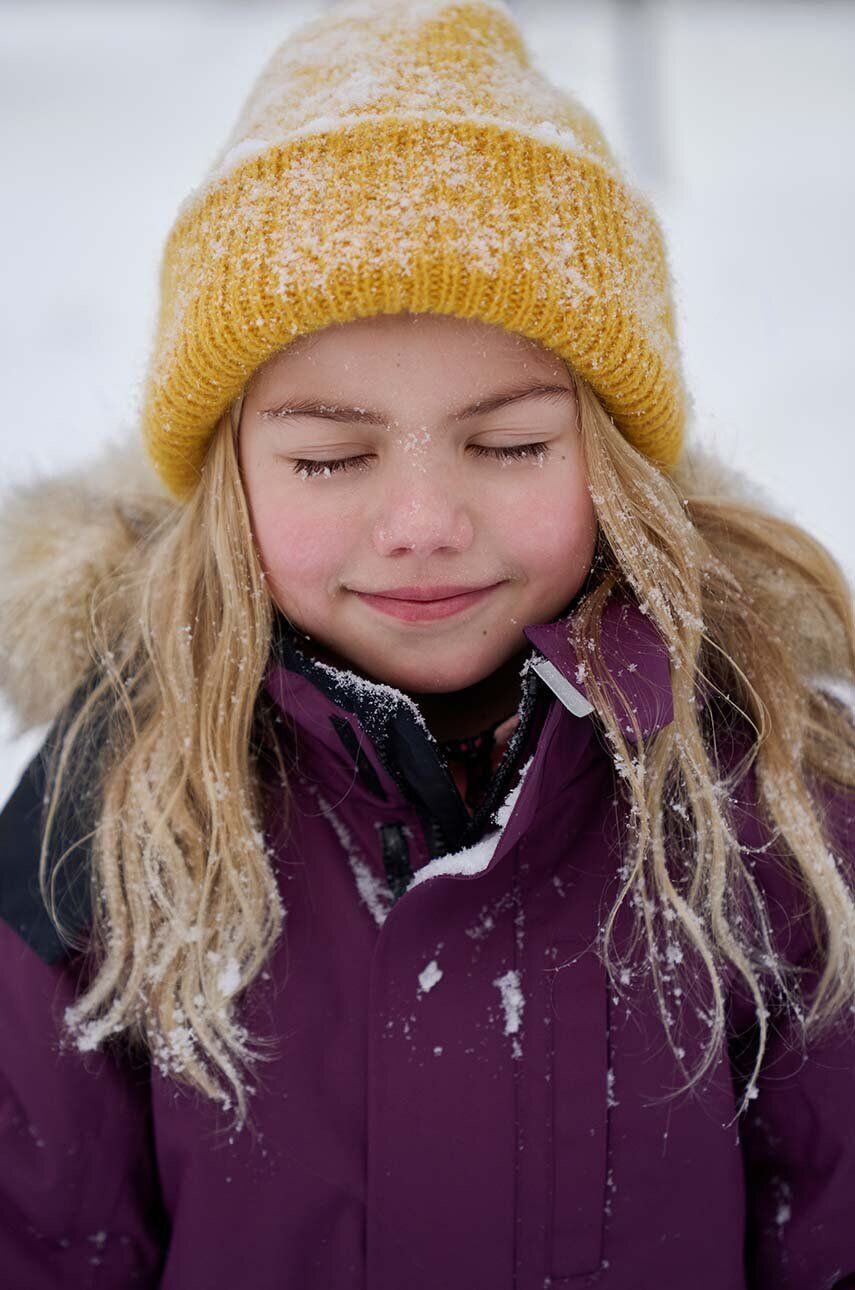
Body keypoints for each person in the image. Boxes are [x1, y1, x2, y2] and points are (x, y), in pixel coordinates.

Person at [1, 1, 853, 1286]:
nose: (421, 523)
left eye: (510, 445)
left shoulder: (767, 796)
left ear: (613, 458)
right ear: (230, 472)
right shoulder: (109, 808)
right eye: (330, 456)